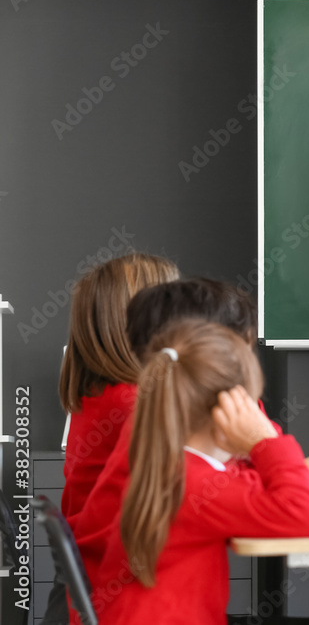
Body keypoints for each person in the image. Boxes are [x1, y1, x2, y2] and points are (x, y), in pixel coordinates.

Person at [70, 278, 309, 625]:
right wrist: (264, 439)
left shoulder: (170, 458)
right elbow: (303, 517)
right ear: (224, 410)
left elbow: (243, 489)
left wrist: (299, 483)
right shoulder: (194, 483)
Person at [42, 253, 178, 625]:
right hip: (122, 602)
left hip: (88, 597)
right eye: (174, 304)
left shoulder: (98, 397)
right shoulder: (136, 403)